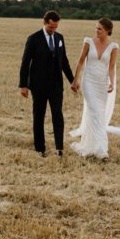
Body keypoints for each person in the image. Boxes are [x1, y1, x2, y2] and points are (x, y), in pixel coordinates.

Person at [69, 18, 120, 159]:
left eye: (100, 29)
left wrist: (111, 82)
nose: (96, 31)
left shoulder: (113, 47)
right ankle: (101, 149)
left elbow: (111, 67)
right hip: (89, 82)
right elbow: (80, 62)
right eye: (96, 28)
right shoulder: (88, 42)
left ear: (108, 31)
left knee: (98, 114)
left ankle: (92, 145)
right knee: (95, 111)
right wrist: (75, 80)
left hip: (101, 85)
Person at [19, 10, 76, 157]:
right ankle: (40, 148)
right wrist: (23, 85)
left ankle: (59, 148)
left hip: (56, 85)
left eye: (56, 27)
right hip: (38, 85)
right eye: (51, 27)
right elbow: (25, 63)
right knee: (39, 116)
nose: (53, 30)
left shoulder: (59, 38)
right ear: (44, 23)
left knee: (58, 115)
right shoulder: (33, 39)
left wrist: (72, 80)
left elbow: (64, 61)